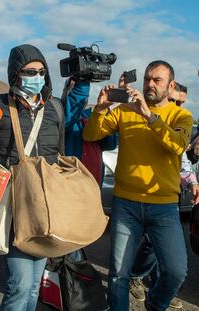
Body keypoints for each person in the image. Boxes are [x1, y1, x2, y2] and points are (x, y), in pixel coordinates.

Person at [0, 44, 87, 311]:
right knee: (20, 283)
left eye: (41, 71)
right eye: (29, 71)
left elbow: (60, 154)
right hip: (12, 203)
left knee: (34, 284)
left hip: (45, 206)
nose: (37, 77)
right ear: (14, 74)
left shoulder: (55, 108)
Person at [83, 60, 193, 311]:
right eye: (147, 79)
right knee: (118, 274)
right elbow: (91, 135)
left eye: (157, 80)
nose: (150, 85)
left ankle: (155, 303)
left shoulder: (181, 116)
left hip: (164, 206)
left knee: (176, 271)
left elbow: (178, 145)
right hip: (126, 203)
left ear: (171, 85)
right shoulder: (124, 109)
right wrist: (100, 109)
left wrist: (149, 116)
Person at [128, 82, 198, 309]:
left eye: (182, 103)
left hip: (170, 192)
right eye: (176, 101)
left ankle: (160, 289)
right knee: (151, 242)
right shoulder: (152, 116)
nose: (179, 107)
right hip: (147, 191)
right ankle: (137, 277)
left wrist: (192, 180)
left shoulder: (181, 119)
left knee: (165, 248)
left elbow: (183, 158)